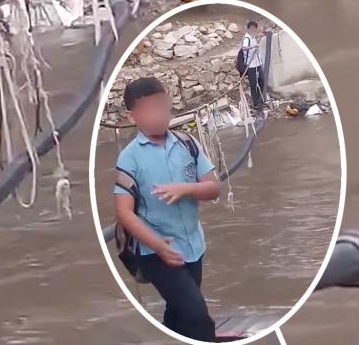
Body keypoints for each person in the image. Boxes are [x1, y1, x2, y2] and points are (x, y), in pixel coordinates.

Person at [114, 77, 220, 341]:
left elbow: (213, 188)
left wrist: (187, 189)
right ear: (132, 116)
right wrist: (158, 245)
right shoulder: (130, 157)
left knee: (179, 311)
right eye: (148, 110)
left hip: (193, 245)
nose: (158, 116)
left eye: (162, 107)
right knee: (197, 315)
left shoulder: (187, 144)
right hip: (156, 252)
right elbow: (124, 212)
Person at [241, 21, 266, 110]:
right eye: (251, 28)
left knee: (262, 81)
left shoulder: (253, 37)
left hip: (258, 64)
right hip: (251, 66)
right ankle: (256, 103)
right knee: (253, 84)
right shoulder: (246, 39)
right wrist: (253, 47)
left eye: (254, 28)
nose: (253, 30)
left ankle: (260, 99)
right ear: (248, 29)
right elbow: (244, 47)